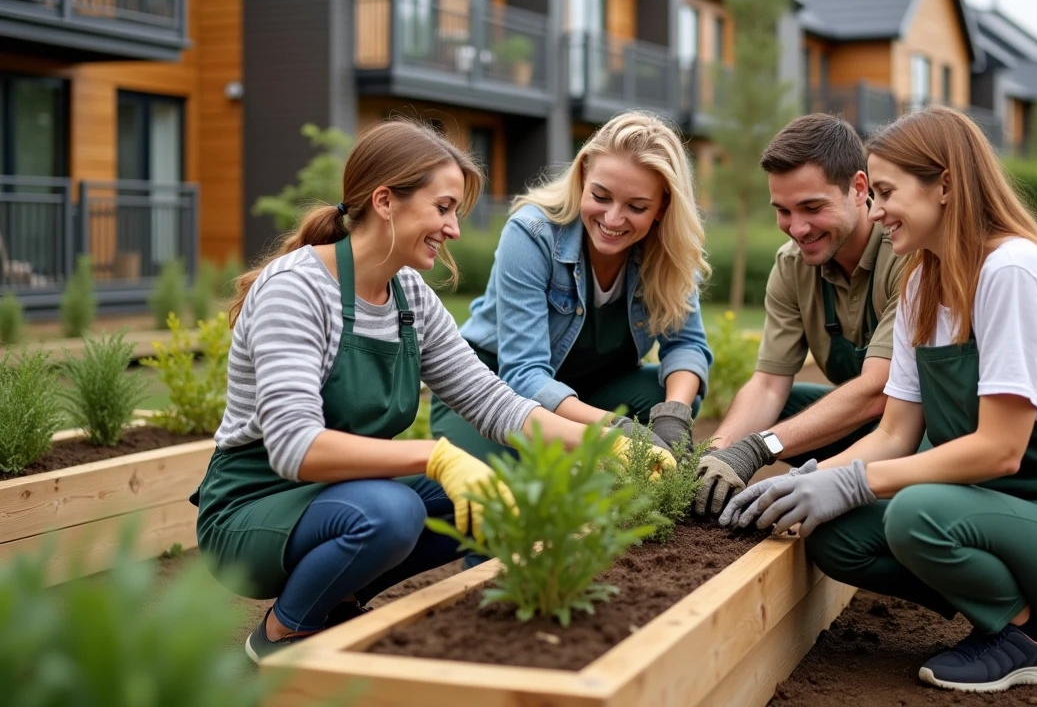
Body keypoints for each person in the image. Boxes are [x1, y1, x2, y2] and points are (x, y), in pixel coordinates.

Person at [190, 120, 672, 664]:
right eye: (443, 208)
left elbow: (494, 403)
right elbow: (293, 446)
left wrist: (604, 442)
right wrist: (436, 456)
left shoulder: (408, 296)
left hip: (337, 497)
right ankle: (283, 632)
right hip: (253, 507)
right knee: (392, 512)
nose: (453, 229)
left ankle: (338, 603)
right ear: (385, 201)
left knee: (498, 499)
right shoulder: (297, 290)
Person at [722, 105, 1037, 694]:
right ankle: (1012, 608)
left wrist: (852, 483)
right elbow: (895, 432)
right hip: (993, 510)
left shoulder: (1011, 271)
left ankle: (1023, 638)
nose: (878, 209)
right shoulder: (923, 281)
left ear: (944, 185)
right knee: (836, 536)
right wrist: (806, 481)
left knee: (917, 514)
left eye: (888, 191)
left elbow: (1000, 450)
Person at [431, 111, 713, 464]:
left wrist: (673, 415)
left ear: (663, 206)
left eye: (636, 206)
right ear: (582, 177)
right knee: (494, 490)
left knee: (670, 394)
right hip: (493, 390)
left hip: (590, 392)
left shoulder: (668, 252)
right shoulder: (533, 234)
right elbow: (523, 373)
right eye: (601, 196)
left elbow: (686, 345)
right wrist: (615, 429)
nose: (612, 219)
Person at [693, 113, 904, 517]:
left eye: (811, 207)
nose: (797, 227)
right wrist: (718, 456)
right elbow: (769, 384)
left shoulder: (905, 253)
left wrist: (762, 446)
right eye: (783, 210)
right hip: (866, 432)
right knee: (788, 402)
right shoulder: (792, 266)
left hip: (920, 436)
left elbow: (880, 389)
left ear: (859, 188)